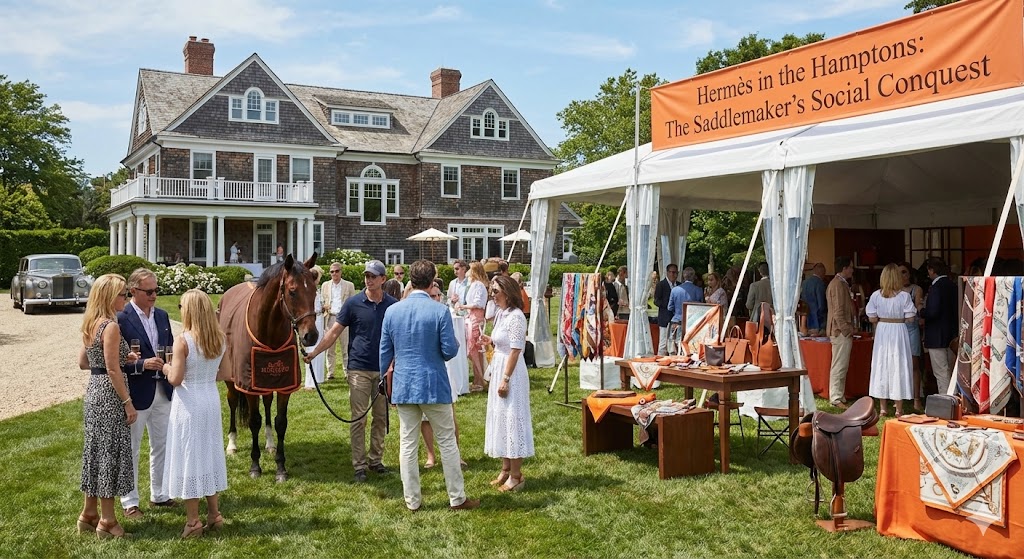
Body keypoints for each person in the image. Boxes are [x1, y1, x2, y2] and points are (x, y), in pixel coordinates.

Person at [380, 260, 479, 512]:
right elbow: (449, 350)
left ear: (411, 281)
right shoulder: (439, 310)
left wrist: (385, 382)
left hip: (404, 384)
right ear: (432, 281)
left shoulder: (393, 311)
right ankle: (456, 498)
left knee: (408, 444)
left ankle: (412, 501)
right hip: (433, 384)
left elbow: (384, 353)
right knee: (447, 441)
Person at [306, 260, 397, 482]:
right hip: (358, 369)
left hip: (384, 369)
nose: (369, 279)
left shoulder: (393, 306)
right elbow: (333, 332)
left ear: (383, 280)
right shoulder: (353, 303)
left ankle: (376, 460)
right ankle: (359, 465)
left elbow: (400, 337)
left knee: (380, 418)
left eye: (373, 276)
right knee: (358, 419)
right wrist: (314, 353)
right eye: (367, 275)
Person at [161, 289, 228, 538]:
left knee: (189, 454)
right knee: (208, 452)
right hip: (210, 398)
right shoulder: (219, 338)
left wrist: (166, 366)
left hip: (189, 402)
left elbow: (176, 379)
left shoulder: (183, 341)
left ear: (188, 310)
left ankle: (192, 522)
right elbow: (226, 374)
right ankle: (215, 514)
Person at [76, 273, 138, 539]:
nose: (127, 298)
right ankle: (108, 520)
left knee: (97, 452)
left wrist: (122, 354)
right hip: (111, 396)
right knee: (110, 455)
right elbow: (113, 370)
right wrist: (128, 403)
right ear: (110, 297)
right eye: (124, 294)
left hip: (94, 392)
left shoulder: (91, 324)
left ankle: (88, 514)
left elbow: (83, 362)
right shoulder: (111, 327)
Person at [118, 268, 174, 519]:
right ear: (133, 291)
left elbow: (169, 349)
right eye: (149, 291)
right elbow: (115, 362)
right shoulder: (121, 318)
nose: (154, 296)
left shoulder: (162, 316)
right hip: (137, 393)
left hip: (163, 389)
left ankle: (159, 494)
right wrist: (142, 364)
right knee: (131, 448)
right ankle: (130, 502)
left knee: (161, 445)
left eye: (156, 291)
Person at [481, 274, 534, 492]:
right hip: (500, 365)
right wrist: (490, 340)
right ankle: (504, 468)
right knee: (500, 417)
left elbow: (515, 349)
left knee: (513, 418)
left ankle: (516, 475)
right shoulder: (502, 314)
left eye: (495, 292)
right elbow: (502, 342)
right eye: (490, 291)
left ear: (507, 292)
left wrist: (505, 378)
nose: (492, 296)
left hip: (511, 371)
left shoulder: (516, 317)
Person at [421, 278, 466, 470]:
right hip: (424, 368)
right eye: (432, 295)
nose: (436, 298)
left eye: (438, 295)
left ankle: (456, 454)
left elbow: (452, 344)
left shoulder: (446, 313)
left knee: (450, 413)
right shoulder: (421, 314)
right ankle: (431, 455)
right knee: (425, 417)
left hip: (444, 368)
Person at [866, 264, 918, 417]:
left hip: (883, 330)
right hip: (898, 330)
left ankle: (883, 407)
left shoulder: (876, 295)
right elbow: (910, 317)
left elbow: (872, 317)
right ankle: (898, 408)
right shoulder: (904, 296)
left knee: (882, 364)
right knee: (899, 364)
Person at [919, 257, 958, 396]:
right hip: (951, 334)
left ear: (932, 270)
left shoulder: (936, 287)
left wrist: (921, 311)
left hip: (936, 335)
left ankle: (946, 401)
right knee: (951, 370)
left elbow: (933, 312)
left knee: (941, 372)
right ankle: (954, 398)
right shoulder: (953, 285)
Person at [826, 256, 856, 409]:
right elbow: (838, 311)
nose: (852, 269)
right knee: (839, 364)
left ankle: (839, 395)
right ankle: (836, 397)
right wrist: (845, 329)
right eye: (850, 267)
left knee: (841, 364)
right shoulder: (838, 284)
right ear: (844, 268)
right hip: (839, 331)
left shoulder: (840, 283)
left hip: (840, 330)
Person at [456, 261, 489, 392]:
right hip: (470, 317)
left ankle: (481, 379)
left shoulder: (479, 285)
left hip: (476, 318)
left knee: (473, 348)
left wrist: (463, 306)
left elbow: (478, 304)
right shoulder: (474, 284)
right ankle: (478, 379)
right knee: (473, 349)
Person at [320, 262, 355, 381]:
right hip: (330, 317)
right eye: (332, 271)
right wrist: (325, 306)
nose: (334, 274)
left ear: (341, 272)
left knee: (346, 347)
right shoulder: (325, 285)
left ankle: (347, 372)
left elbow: (353, 303)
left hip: (344, 318)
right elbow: (321, 301)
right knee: (330, 347)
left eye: (336, 271)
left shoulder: (349, 285)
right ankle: (330, 372)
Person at [899, 261, 925, 409]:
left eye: (905, 272)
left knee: (914, 363)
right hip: (898, 328)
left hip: (911, 328)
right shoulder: (893, 291)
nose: (903, 275)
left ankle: (916, 398)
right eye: (900, 273)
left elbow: (917, 307)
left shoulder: (916, 289)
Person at [667, 267, 704, 353]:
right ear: (694, 277)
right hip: (692, 322)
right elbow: (701, 307)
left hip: (676, 321)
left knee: (674, 349)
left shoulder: (674, 290)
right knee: (690, 349)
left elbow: (670, 307)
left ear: (683, 276)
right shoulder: (698, 290)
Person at [303, 266, 326, 389]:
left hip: (320, 319)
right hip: (315, 319)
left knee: (320, 346)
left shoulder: (316, 290)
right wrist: (321, 309)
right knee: (312, 347)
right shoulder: (310, 291)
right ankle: (310, 381)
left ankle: (318, 377)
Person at [654, 264, 680, 355]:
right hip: (665, 318)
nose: (673, 275)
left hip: (677, 319)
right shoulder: (661, 285)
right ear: (667, 272)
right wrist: (669, 305)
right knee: (663, 344)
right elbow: (656, 301)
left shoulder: (680, 285)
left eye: (675, 273)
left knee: (675, 344)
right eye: (672, 272)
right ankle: (660, 362)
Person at [800, 263, 827, 336]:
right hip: (817, 320)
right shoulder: (820, 283)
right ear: (822, 272)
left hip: (806, 319)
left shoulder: (804, 283)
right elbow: (821, 303)